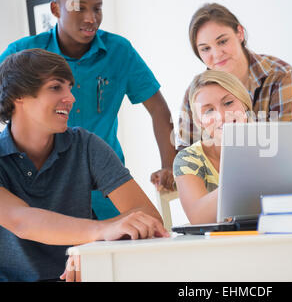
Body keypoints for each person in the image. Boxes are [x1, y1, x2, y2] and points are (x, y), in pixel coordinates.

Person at [0, 0, 176, 220]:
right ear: (55, 9)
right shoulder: (24, 53)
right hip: (43, 190)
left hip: (107, 186)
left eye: (97, 9)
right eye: (79, 8)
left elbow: (158, 109)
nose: (91, 18)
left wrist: (169, 164)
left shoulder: (119, 51)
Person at [0, 49, 169, 282]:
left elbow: (149, 219)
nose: (71, 98)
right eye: (55, 87)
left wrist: (91, 252)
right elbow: (21, 220)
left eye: (69, 87)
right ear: (18, 95)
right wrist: (95, 238)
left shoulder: (85, 144)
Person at [178, 3, 292, 149]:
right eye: (206, 49)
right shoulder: (195, 94)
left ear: (240, 33)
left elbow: (286, 145)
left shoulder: (280, 76)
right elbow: (185, 151)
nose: (217, 54)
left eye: (223, 41)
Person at [173, 70, 253, 224]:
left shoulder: (271, 146)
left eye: (228, 103)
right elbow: (198, 217)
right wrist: (245, 175)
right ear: (200, 121)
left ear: (244, 103)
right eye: (209, 111)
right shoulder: (189, 159)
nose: (222, 116)